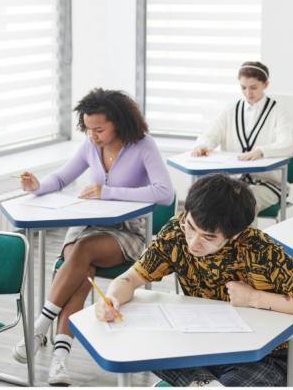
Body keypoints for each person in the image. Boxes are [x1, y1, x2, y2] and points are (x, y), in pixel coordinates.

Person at [96, 174, 293, 387]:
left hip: (259, 356)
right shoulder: (175, 233)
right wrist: (112, 299)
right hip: (200, 348)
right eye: (190, 227)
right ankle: (204, 384)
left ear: (235, 235)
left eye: (208, 237)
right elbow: (129, 279)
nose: (192, 242)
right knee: (146, 345)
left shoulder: (260, 250)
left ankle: (199, 383)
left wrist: (255, 298)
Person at [11, 88, 174, 386]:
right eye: (88, 129)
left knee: (81, 252)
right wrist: (37, 185)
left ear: (119, 122)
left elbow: (166, 194)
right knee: (81, 269)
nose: (93, 135)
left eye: (99, 129)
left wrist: (108, 192)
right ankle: (59, 360)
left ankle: (39, 326)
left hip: (126, 231)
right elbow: (61, 178)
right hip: (88, 225)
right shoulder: (90, 146)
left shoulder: (143, 146)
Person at [191, 61, 293, 217]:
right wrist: (203, 145)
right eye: (243, 87)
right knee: (208, 202)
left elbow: (287, 145)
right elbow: (211, 134)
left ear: (265, 84)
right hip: (234, 183)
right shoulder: (231, 109)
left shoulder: (278, 111)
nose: (248, 93)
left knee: (244, 205)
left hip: (269, 184)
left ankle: (245, 242)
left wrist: (262, 151)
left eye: (253, 87)